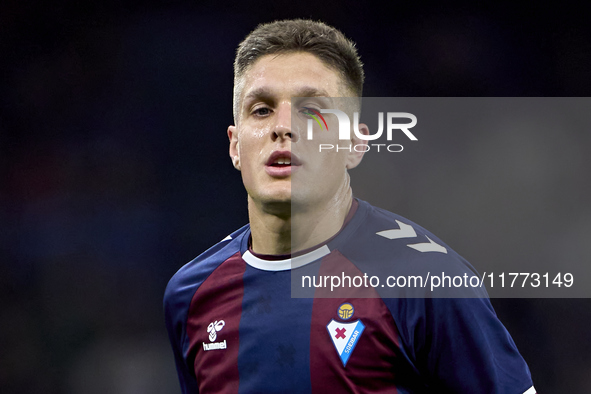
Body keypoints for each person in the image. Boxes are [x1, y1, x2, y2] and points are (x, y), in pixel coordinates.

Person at [164, 19, 536, 393]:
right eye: (261, 109)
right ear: (234, 145)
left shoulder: (427, 279)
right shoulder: (191, 294)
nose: (284, 127)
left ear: (355, 144)